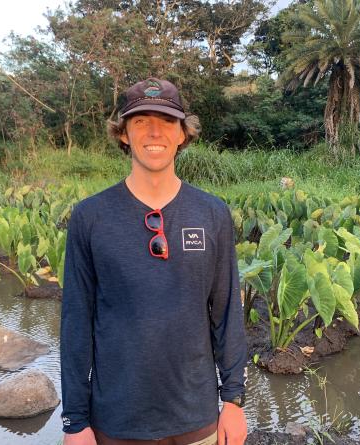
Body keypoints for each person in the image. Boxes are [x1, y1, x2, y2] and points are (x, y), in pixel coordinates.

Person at [60, 77, 248, 445]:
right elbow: (76, 323)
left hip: (197, 416)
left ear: (183, 134)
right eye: (140, 121)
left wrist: (235, 401)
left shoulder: (212, 213)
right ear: (124, 134)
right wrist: (74, 422)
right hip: (116, 420)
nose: (153, 132)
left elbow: (227, 314)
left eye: (165, 121)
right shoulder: (90, 217)